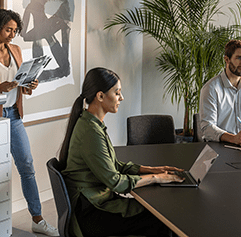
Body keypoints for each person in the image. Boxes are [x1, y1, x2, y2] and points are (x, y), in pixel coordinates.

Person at [59, 67, 184, 237]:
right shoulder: (90, 131)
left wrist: (151, 170)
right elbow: (116, 183)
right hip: (91, 211)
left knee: (159, 215)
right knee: (161, 220)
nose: (121, 98)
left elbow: (114, 165)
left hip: (96, 201)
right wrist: (156, 178)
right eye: (117, 93)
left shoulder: (91, 123)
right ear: (100, 96)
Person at [0, 9, 59, 236]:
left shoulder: (16, 50)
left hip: (14, 116)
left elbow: (22, 85)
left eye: (15, 30)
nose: (12, 35)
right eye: (8, 30)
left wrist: (29, 85)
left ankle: (37, 219)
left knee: (26, 166)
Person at [199, 39, 241, 145]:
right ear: (227, 60)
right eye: (239, 58)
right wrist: (233, 138)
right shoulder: (211, 88)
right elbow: (207, 127)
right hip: (217, 147)